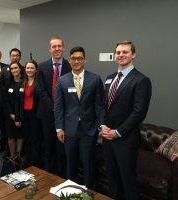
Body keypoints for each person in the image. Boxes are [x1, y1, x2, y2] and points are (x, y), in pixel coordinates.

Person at [100, 40, 152, 200]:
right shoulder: (109, 78)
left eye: (125, 52)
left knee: (128, 182)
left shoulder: (141, 80)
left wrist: (118, 132)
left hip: (125, 140)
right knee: (112, 180)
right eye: (118, 52)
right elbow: (103, 105)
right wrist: (102, 125)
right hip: (107, 138)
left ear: (133, 55)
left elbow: (139, 113)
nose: (121, 55)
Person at [54, 46, 104, 188]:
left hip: (89, 130)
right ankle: (71, 189)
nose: (76, 61)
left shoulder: (95, 79)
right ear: (69, 61)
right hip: (69, 130)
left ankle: (88, 190)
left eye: (80, 58)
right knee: (71, 163)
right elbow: (58, 106)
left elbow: (99, 105)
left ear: (85, 60)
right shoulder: (62, 80)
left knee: (88, 163)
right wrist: (59, 128)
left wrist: (100, 126)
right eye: (73, 58)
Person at [37, 36, 71, 177]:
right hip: (47, 113)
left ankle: (61, 174)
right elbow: (41, 90)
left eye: (59, 46)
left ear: (63, 48)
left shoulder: (70, 66)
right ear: (49, 49)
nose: (57, 49)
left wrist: (60, 109)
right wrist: (54, 107)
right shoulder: (42, 66)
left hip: (65, 114)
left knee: (62, 147)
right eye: (54, 46)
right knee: (48, 145)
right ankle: (48, 173)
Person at [15, 59, 41, 168]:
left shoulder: (39, 83)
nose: (29, 70)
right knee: (26, 139)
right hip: (24, 115)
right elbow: (17, 102)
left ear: (36, 70)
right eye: (27, 68)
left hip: (35, 115)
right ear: (25, 69)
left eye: (32, 68)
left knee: (35, 139)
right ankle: (28, 160)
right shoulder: (21, 83)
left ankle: (35, 162)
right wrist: (17, 117)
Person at [5, 61, 24, 164]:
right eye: (12, 69)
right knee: (11, 136)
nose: (14, 70)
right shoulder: (8, 82)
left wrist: (18, 116)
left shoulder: (25, 82)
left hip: (21, 114)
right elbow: (6, 100)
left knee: (20, 136)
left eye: (15, 68)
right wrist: (11, 114)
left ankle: (18, 156)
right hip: (10, 114)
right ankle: (12, 156)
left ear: (20, 69)